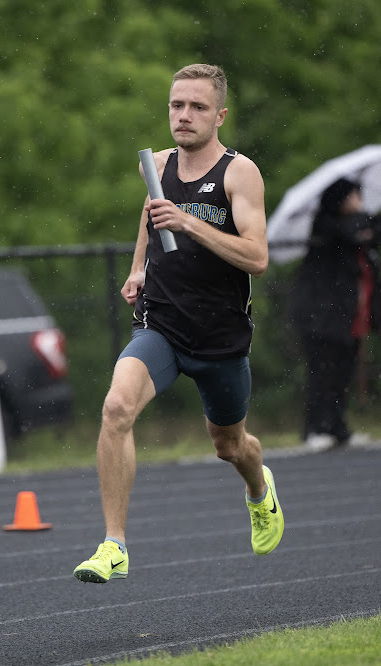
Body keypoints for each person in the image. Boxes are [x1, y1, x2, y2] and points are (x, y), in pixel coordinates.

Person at [73, 63, 284, 584]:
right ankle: (114, 544)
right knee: (117, 407)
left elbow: (257, 256)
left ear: (220, 115)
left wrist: (189, 220)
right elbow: (152, 215)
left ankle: (260, 491)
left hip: (220, 338)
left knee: (229, 446)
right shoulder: (159, 164)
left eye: (197, 107)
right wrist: (138, 269)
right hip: (161, 325)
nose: (184, 116)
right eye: (176, 105)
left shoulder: (240, 173)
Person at [289, 178, 381, 452]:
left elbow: (372, 232)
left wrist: (367, 223)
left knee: (343, 373)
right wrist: (363, 221)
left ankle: (337, 427)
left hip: (350, 317)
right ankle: (313, 428)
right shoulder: (325, 226)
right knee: (321, 373)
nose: (358, 201)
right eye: (353, 196)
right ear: (339, 200)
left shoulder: (360, 226)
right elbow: (351, 232)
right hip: (321, 317)